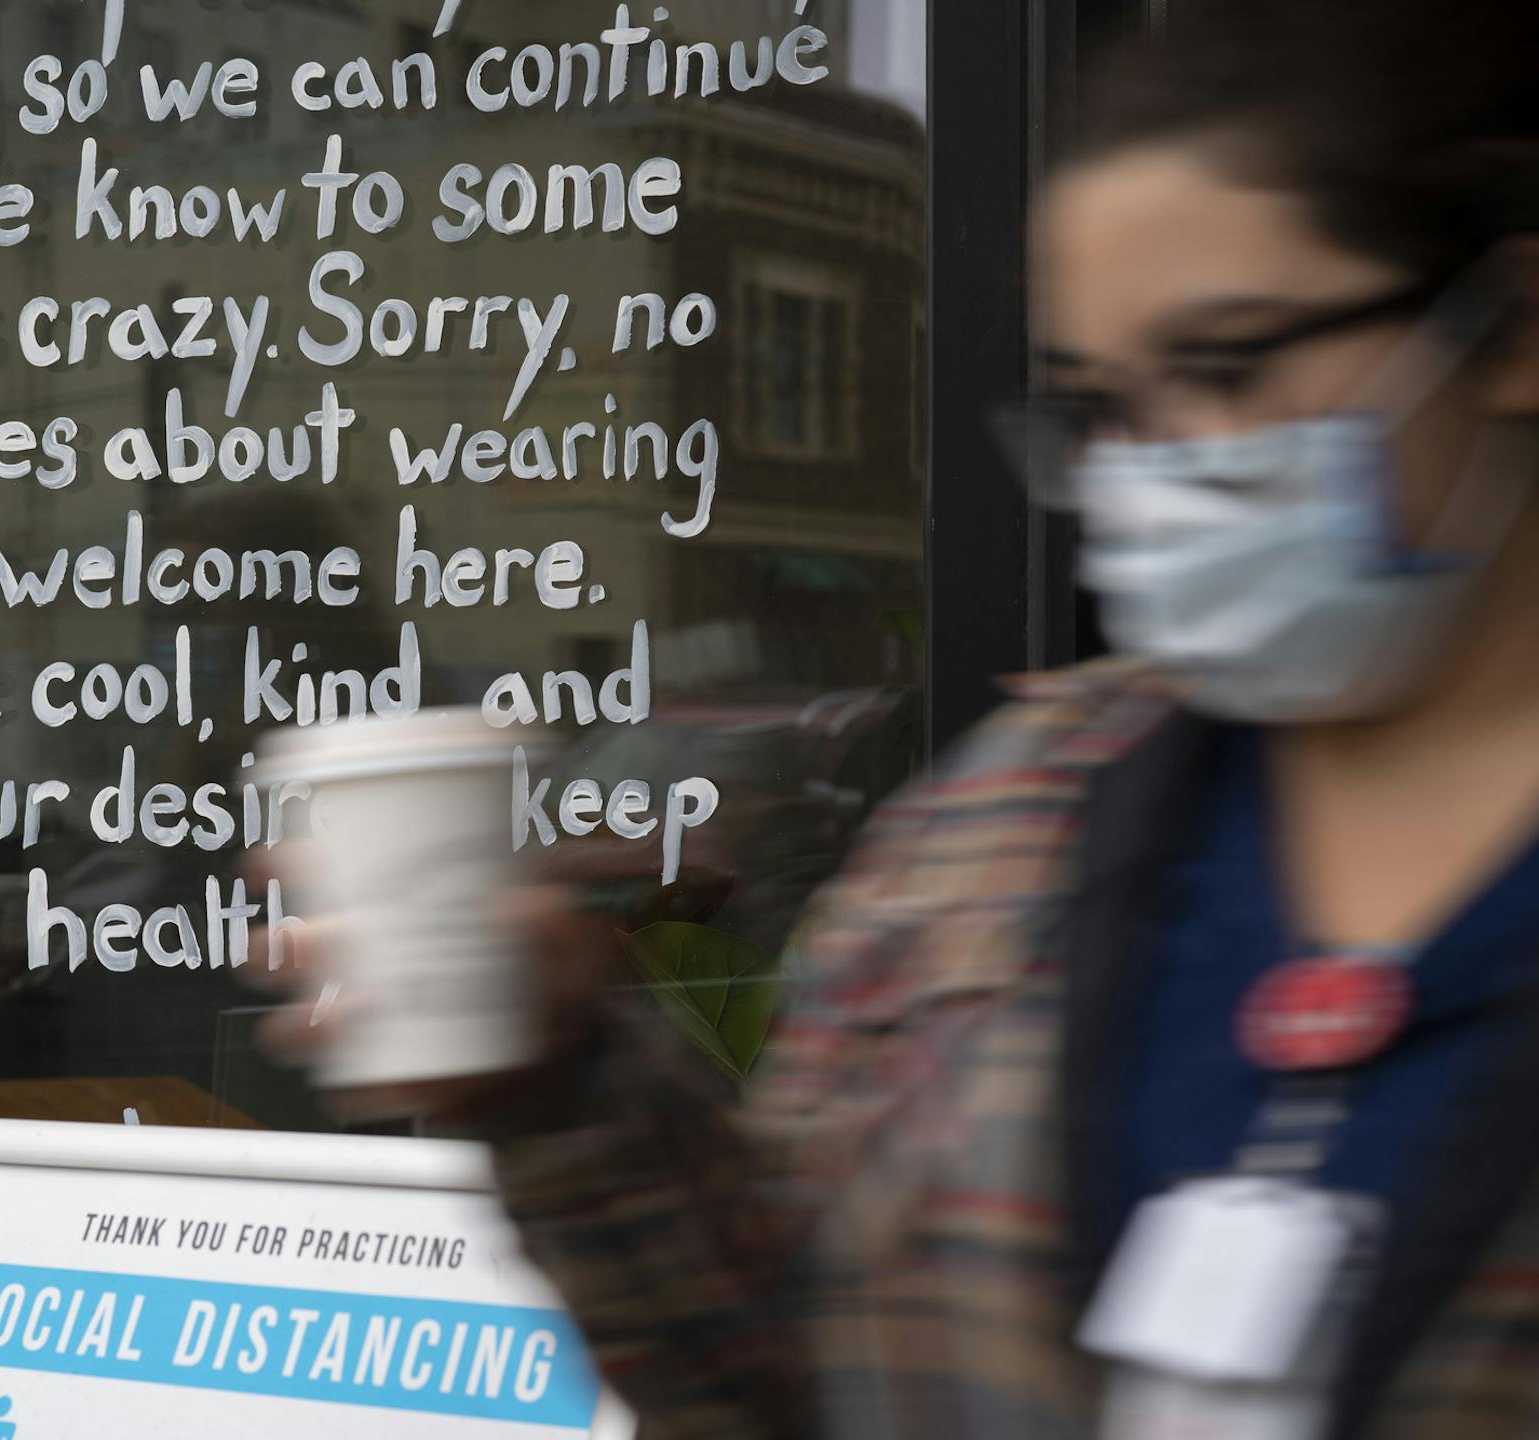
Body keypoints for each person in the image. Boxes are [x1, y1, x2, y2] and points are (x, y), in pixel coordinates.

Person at [263, 0, 1539, 1434]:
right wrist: (560, 1074)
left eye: (1229, 367)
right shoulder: (1012, 819)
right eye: (1100, 409)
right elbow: (781, 1372)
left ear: (1505, 328)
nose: (1152, 475)